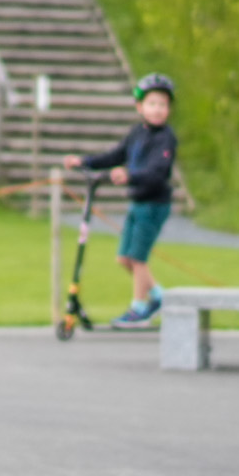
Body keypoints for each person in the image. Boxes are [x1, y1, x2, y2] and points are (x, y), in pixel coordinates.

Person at [65, 73, 178, 329]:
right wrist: (84, 161)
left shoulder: (165, 139)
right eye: (152, 104)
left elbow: (157, 172)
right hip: (138, 203)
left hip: (154, 204)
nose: (158, 110)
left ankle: (139, 309)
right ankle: (160, 297)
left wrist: (130, 176)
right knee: (124, 258)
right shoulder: (137, 133)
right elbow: (115, 155)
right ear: (140, 107)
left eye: (163, 105)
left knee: (138, 259)